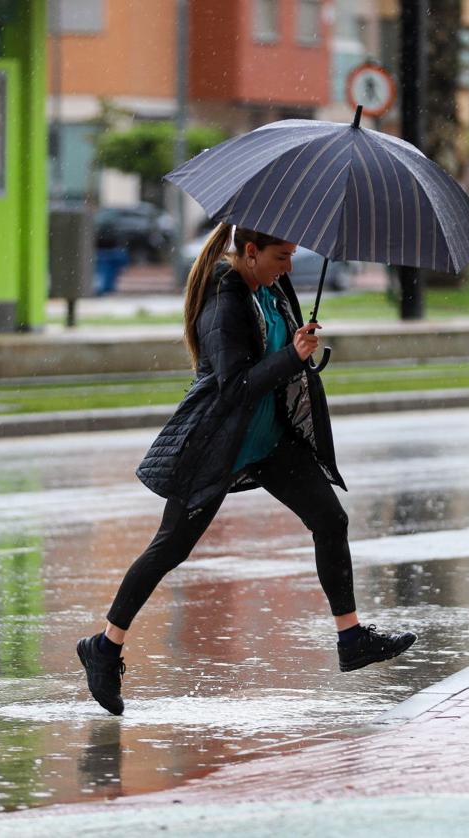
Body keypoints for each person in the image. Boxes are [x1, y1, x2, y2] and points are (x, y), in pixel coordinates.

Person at [76, 223, 416, 716]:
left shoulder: (273, 288)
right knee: (169, 548)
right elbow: (234, 386)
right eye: (281, 256)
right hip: (219, 444)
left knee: (330, 520)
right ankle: (103, 649)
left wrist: (300, 351)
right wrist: (289, 357)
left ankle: (351, 638)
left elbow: (280, 359)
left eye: (293, 256)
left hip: (271, 440)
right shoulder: (223, 300)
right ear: (251, 252)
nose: (289, 265)